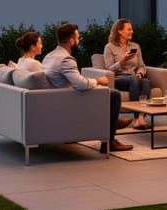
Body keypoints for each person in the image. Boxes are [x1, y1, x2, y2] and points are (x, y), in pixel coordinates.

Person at [42, 23, 133, 153]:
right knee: (113, 95)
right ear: (71, 40)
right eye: (77, 37)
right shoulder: (66, 59)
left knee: (105, 94)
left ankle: (113, 122)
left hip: (57, 98)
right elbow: (82, 84)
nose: (79, 40)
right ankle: (109, 142)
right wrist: (99, 81)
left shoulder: (49, 56)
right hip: (68, 101)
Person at [104, 18, 151, 130]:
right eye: (129, 29)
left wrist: (140, 73)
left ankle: (140, 118)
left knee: (146, 81)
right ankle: (136, 118)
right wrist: (122, 61)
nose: (132, 31)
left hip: (134, 77)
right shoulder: (109, 47)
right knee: (134, 80)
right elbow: (108, 69)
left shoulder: (135, 46)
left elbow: (141, 65)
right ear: (119, 31)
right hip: (118, 79)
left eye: (132, 29)